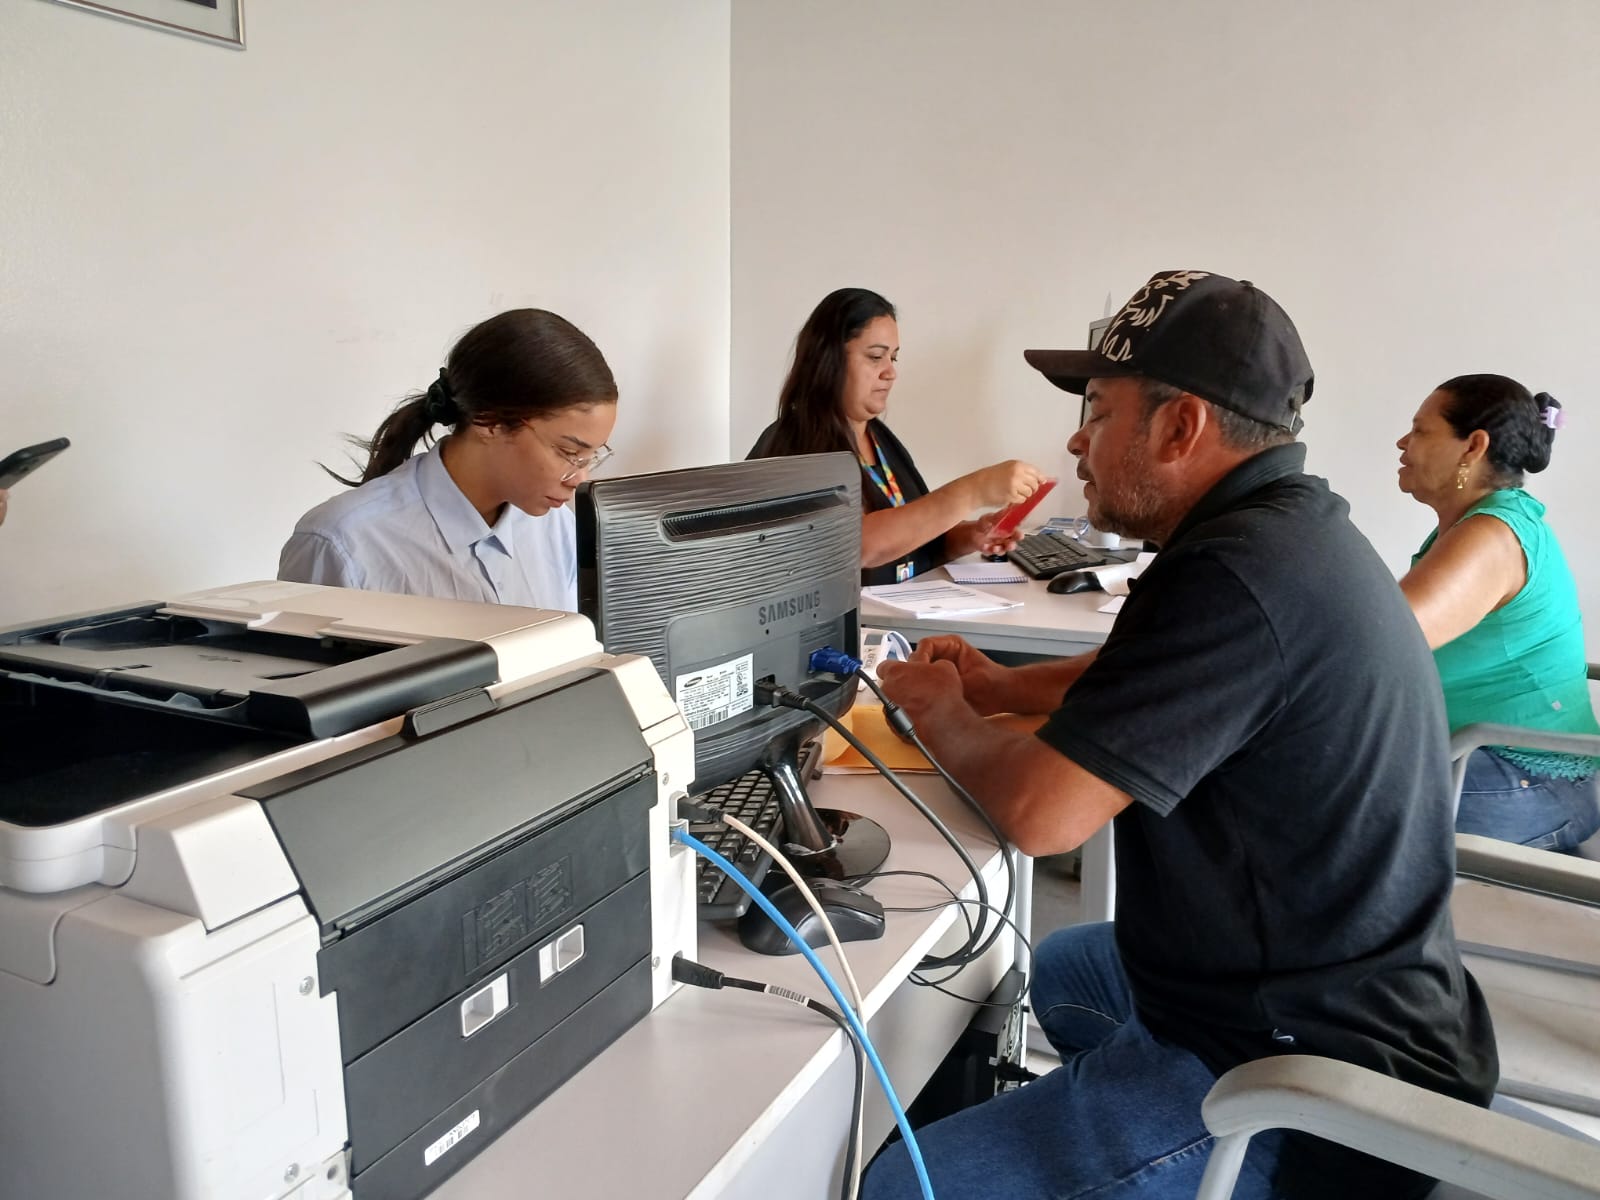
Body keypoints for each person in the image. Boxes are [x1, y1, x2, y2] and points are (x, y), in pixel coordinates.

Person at [864, 270, 1496, 1200]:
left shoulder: (1237, 576)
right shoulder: (1281, 533)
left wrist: (939, 709)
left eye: (1097, 410)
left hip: (1308, 1084)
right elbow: (1151, 671)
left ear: (1178, 428)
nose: (1077, 440)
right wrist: (1002, 685)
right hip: (1361, 1003)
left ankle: (1165, 1147)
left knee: (905, 1186)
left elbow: (1044, 815)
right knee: (1068, 968)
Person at [279, 308, 617, 610]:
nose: (579, 479)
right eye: (568, 453)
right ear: (490, 421)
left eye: (592, 456)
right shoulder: (343, 544)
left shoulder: (553, 526)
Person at [1396, 374, 1600, 852]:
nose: (1403, 442)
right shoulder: (1479, 524)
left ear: (1474, 446)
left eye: (1421, 431)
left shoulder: (1492, 535)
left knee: (1312, 803)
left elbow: (1381, 644)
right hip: (1481, 756)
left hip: (1531, 778)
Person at [748, 287, 1044, 585]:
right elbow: (858, 545)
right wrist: (973, 491)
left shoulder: (880, 438)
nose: (891, 372)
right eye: (876, 356)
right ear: (829, 360)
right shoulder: (796, 445)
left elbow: (915, 541)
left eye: (894, 358)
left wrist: (971, 535)